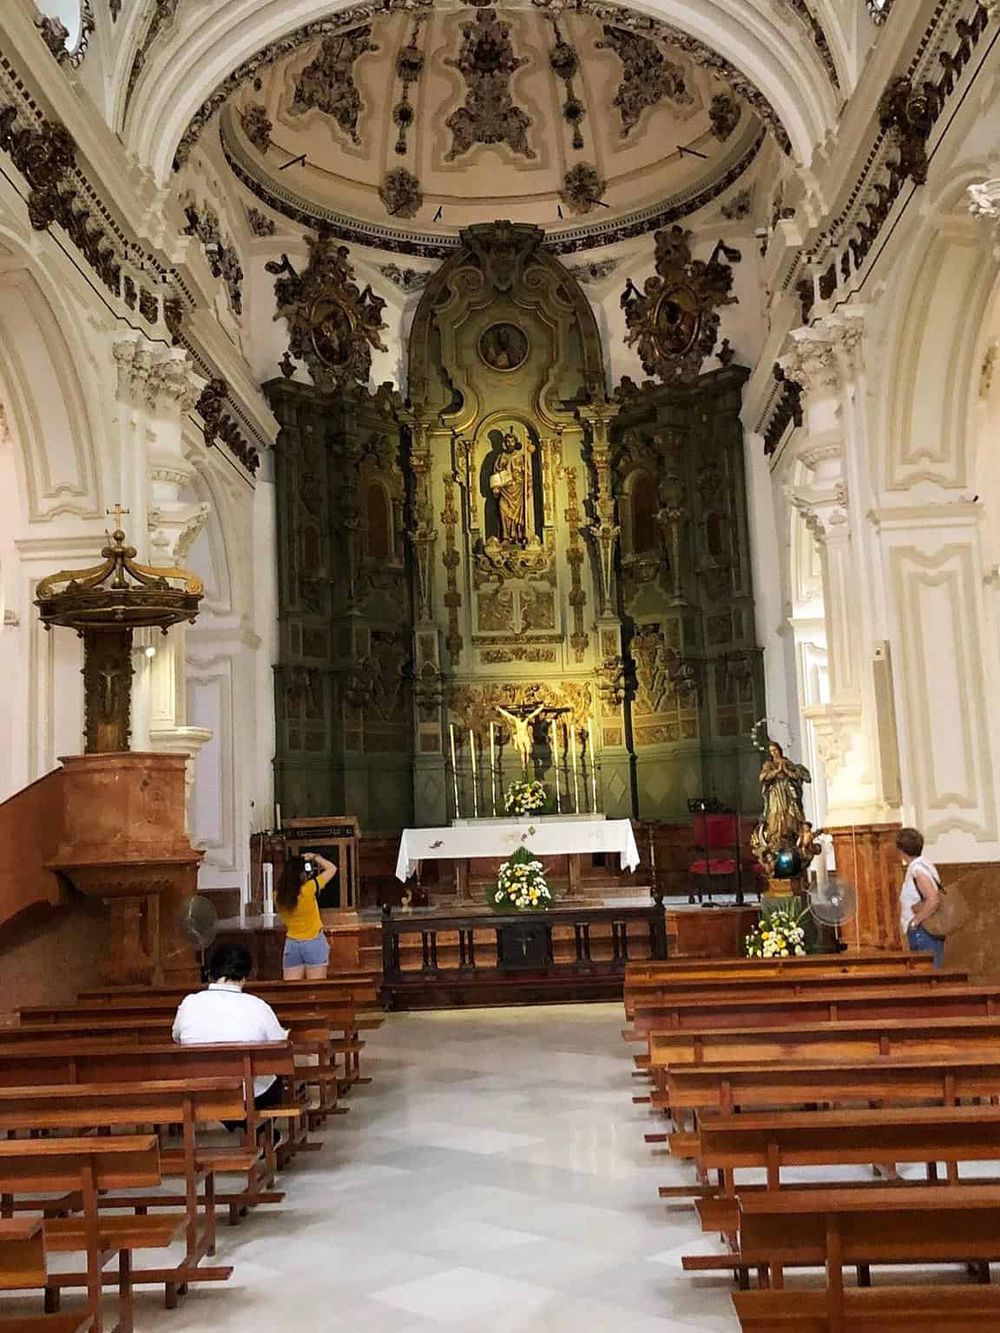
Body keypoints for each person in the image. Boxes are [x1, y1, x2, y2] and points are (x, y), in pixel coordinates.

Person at [172, 943, 288, 1126]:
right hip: (249, 1094)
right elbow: (279, 1047)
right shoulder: (258, 1006)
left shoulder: (190, 1003)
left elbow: (176, 1037)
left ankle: (240, 1126)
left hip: (201, 1089)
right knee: (275, 1078)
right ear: (245, 976)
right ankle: (261, 1133)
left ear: (212, 972)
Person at [275, 851, 337, 980]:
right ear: (301, 874)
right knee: (316, 991)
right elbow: (332, 868)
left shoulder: (277, 896)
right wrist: (315, 857)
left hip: (292, 944)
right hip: (314, 941)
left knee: (292, 992)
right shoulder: (309, 889)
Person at [896, 826, 944, 968]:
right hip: (926, 930)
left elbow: (933, 899)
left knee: (926, 975)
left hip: (923, 931)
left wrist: (914, 922)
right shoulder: (924, 865)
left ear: (901, 850)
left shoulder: (918, 870)